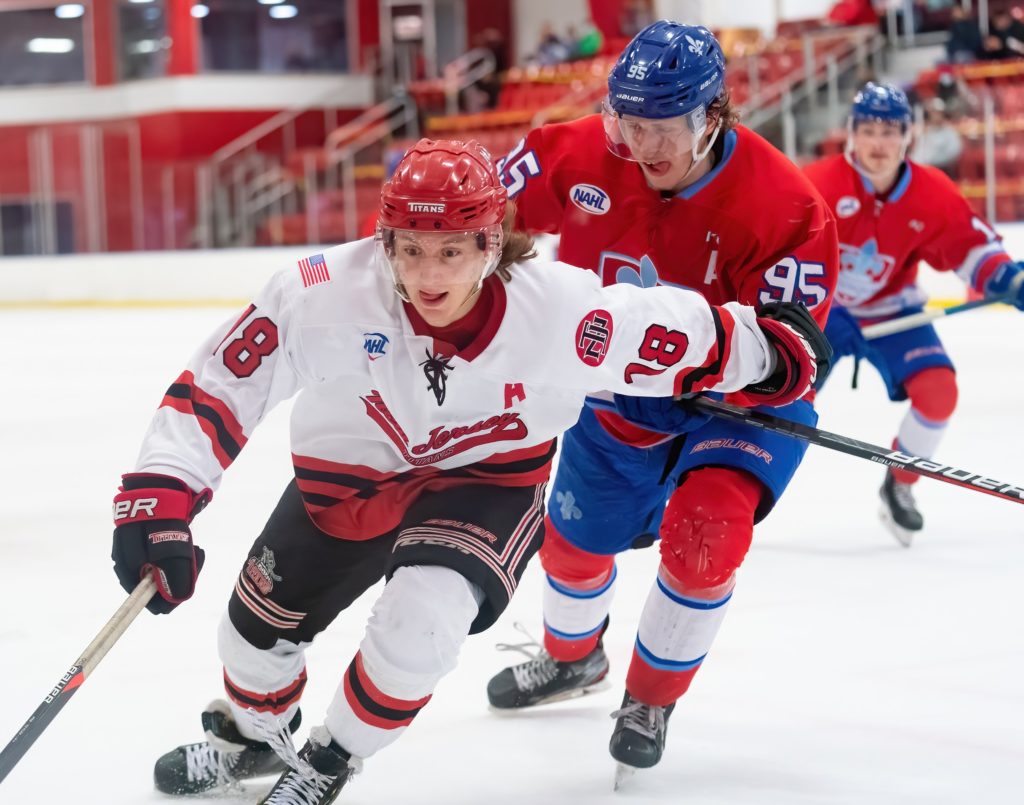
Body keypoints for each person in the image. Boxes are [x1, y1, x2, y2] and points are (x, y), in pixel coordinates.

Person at [111, 138, 829, 804]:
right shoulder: (319, 293)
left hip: (486, 483)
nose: (429, 276)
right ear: (385, 240)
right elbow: (223, 382)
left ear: (491, 244)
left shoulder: (558, 311)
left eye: (452, 251)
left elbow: (670, 330)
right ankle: (252, 736)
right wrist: (161, 490)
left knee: (420, 624)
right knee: (249, 636)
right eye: (412, 249)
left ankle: (330, 758)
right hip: (349, 482)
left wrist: (766, 352)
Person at [485, 20, 839, 775]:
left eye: (662, 128)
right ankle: (572, 659)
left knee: (704, 536)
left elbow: (797, 356)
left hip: (738, 407)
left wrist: (717, 360)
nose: (640, 146)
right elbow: (482, 211)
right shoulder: (580, 151)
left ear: (712, 116)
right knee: (572, 545)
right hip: (615, 389)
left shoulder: (785, 205)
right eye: (627, 122)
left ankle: (651, 697)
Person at [803, 82, 1024, 545]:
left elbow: (972, 245)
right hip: (821, 311)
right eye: (868, 130)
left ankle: (899, 484)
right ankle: (735, 477)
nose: (878, 143)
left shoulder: (932, 192)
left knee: (939, 392)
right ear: (851, 133)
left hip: (892, 310)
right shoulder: (816, 183)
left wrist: (1007, 279)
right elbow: (777, 249)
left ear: (910, 135)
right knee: (779, 396)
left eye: (890, 131)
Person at [910, 99, 963, 177]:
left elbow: (953, 153)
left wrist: (933, 162)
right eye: (932, 113)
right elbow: (917, 154)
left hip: (941, 170)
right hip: (921, 171)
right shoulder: (924, 131)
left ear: (942, 114)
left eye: (937, 113)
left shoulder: (949, 132)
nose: (935, 115)